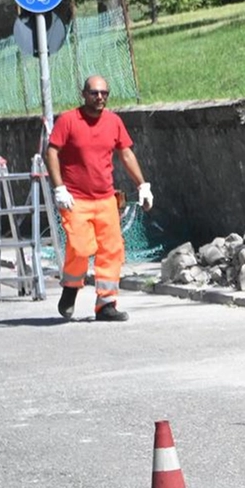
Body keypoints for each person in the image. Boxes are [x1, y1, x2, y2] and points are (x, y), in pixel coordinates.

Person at [45, 75, 153, 322]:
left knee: (112, 251)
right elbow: (51, 152)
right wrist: (59, 188)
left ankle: (106, 304)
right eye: (94, 93)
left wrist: (143, 185)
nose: (100, 97)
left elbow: (126, 154)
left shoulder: (113, 122)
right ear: (83, 94)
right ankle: (71, 287)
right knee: (81, 247)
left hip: (106, 199)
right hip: (76, 200)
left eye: (105, 93)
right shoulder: (69, 121)